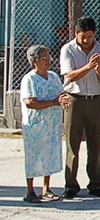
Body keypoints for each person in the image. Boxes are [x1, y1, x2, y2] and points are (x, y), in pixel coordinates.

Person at [59, 17, 100, 199]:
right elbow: (69, 76)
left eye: (90, 36)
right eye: (83, 37)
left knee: (95, 144)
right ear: (76, 34)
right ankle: (71, 184)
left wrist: (98, 69)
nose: (87, 40)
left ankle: (95, 184)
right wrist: (89, 66)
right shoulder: (68, 49)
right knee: (73, 144)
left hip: (95, 99)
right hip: (75, 100)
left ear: (94, 34)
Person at [20, 45, 71, 203]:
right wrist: (54, 102)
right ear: (34, 61)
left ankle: (46, 188)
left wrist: (63, 99)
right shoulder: (29, 79)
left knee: (48, 155)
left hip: (51, 125)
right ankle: (30, 190)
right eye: (44, 58)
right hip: (35, 126)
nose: (48, 61)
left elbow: (60, 92)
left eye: (49, 57)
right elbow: (30, 102)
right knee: (33, 157)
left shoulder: (53, 76)